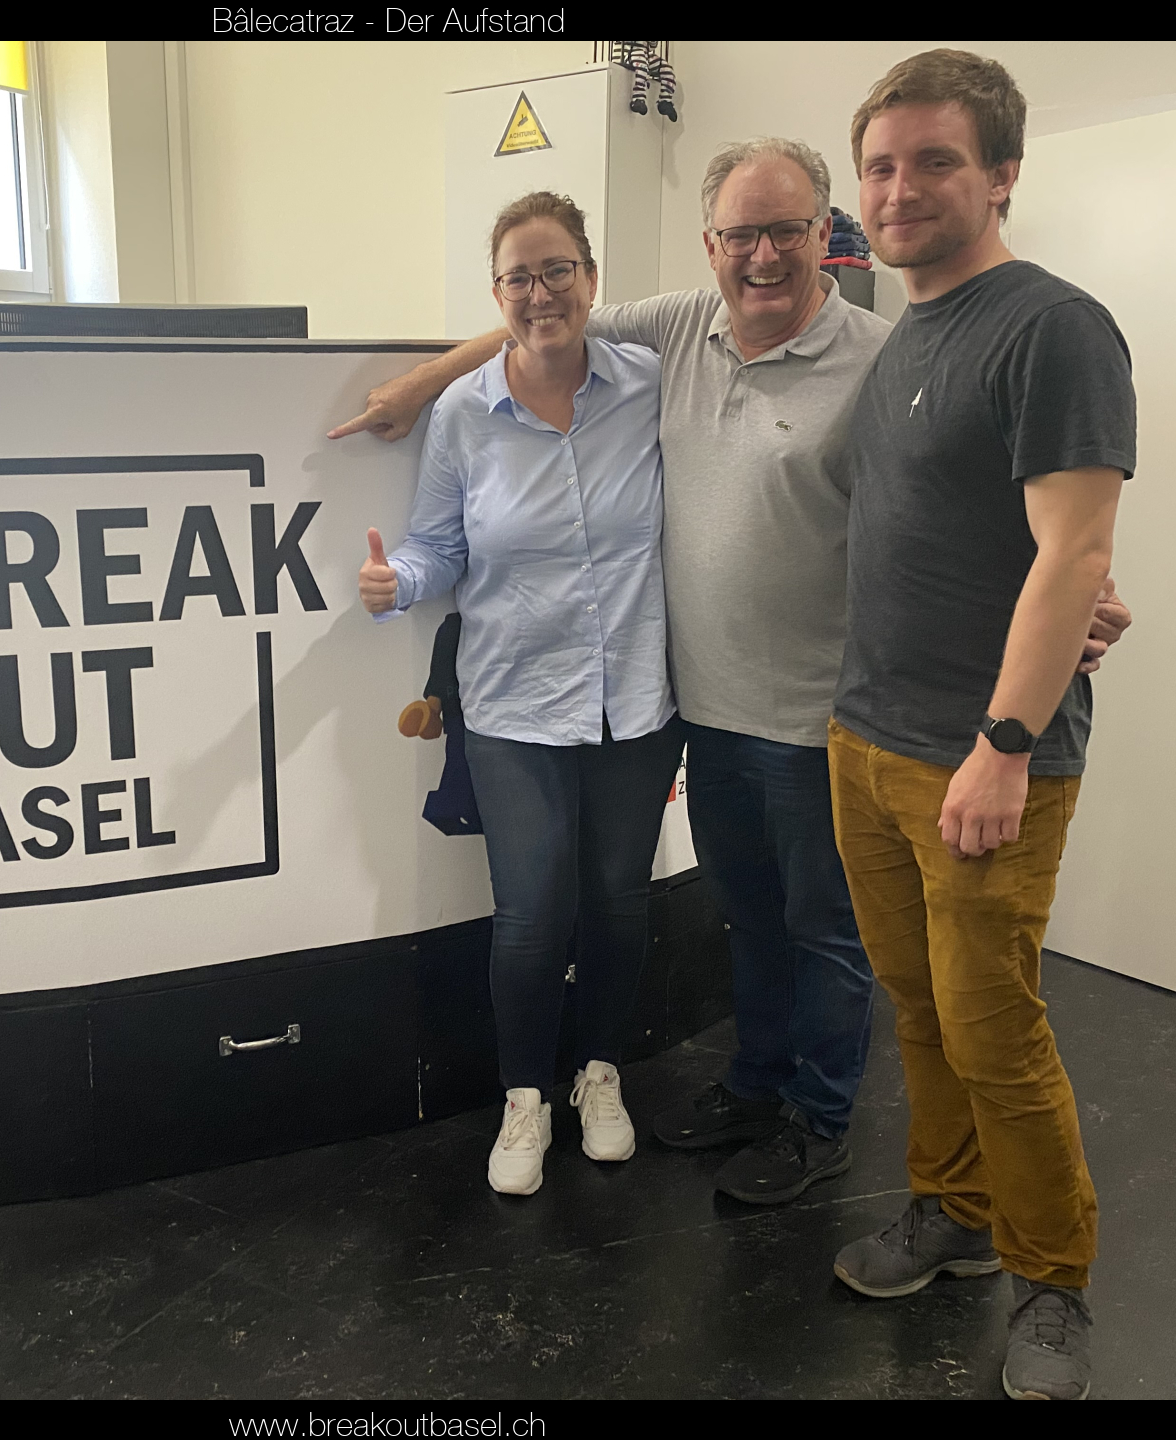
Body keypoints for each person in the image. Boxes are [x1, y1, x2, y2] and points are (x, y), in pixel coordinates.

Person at [333, 146, 1133, 1209]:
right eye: (740, 236)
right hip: (704, 711)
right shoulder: (677, 332)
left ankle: (817, 1119)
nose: (763, 256)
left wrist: (1071, 585)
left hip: (816, 714)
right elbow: (537, 324)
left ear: (825, 236)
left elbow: (964, 491)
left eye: (787, 231)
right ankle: (754, 1085)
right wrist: (421, 383)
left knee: (825, 937)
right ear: (709, 246)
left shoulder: (881, 355)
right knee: (745, 919)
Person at [824, 50, 1134, 1402]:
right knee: (919, 1009)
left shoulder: (1052, 326)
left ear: (1002, 174)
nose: (900, 190)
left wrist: (1005, 743)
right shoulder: (909, 330)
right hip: (867, 737)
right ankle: (952, 1209)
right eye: (881, 166)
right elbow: (982, 533)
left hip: (986, 757)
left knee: (995, 1027)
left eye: (935, 161)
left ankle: (1052, 1280)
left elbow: (1075, 550)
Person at [357, 191, 682, 1198]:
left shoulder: (649, 384)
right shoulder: (464, 412)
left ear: (591, 278)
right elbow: (438, 544)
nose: (540, 295)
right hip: (511, 706)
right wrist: (398, 582)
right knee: (532, 914)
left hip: (635, 702)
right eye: (518, 279)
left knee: (618, 904)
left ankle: (600, 1074)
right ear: (496, 293)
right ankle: (525, 1097)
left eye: (557, 272)